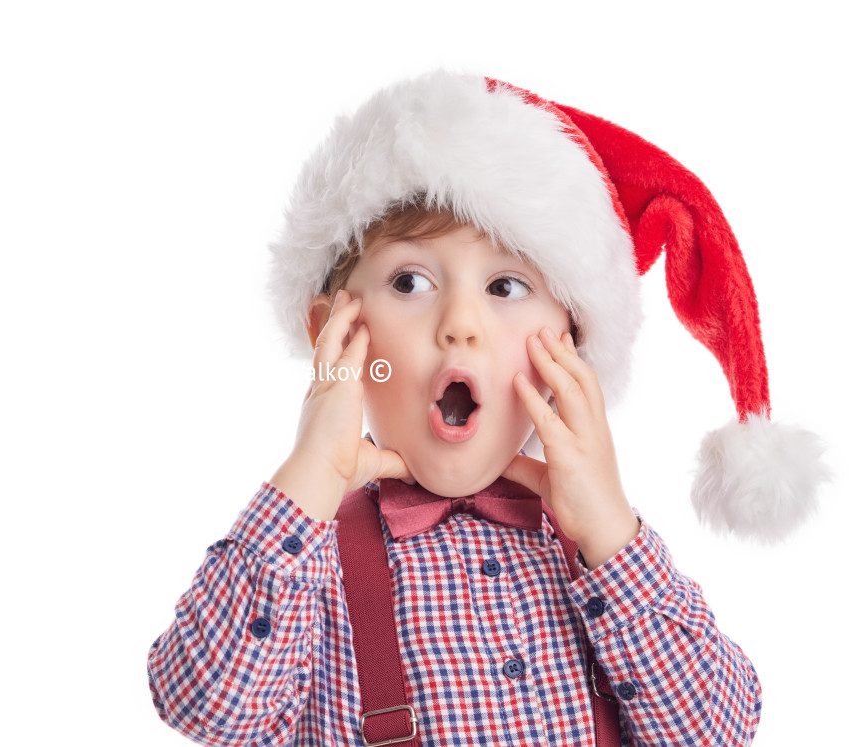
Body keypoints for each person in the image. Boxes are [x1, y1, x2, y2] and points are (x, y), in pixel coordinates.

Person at [146, 70, 828, 746]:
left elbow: (714, 729)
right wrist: (310, 474)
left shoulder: (596, 555)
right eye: (410, 281)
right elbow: (202, 702)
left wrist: (613, 533)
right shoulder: (305, 566)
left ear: (570, 344)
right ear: (335, 333)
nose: (461, 323)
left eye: (506, 285)